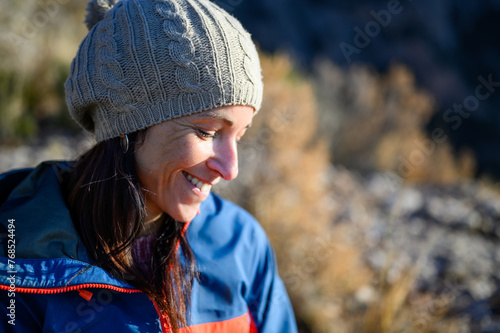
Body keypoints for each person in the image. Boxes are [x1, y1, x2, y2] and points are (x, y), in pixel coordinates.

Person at [0, 0, 298, 332]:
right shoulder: (17, 263)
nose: (230, 169)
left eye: (239, 136)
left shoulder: (241, 243)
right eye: (207, 132)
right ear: (126, 127)